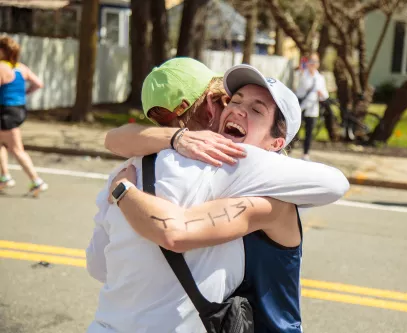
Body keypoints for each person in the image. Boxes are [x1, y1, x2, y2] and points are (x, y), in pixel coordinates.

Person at [86, 59, 349, 333]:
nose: (236, 110)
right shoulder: (238, 165)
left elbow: (98, 267)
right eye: (232, 100)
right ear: (212, 105)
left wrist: (125, 192)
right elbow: (336, 183)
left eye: (255, 109)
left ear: (276, 144)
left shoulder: (128, 167)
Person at [0, 36, 46, 195]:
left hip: (5, 111)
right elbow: (38, 84)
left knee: (17, 149)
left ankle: (36, 181)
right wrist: (25, 92)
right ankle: (4, 176)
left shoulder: (1, 67)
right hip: (19, 110)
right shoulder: (21, 68)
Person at [295, 53, 328, 161]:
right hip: (301, 106)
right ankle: (288, 149)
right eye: (311, 61)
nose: (313, 64)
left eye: (315, 62)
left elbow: (325, 95)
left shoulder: (320, 78)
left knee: (309, 132)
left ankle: (305, 153)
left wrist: (321, 94)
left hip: (313, 108)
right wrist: (303, 68)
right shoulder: (302, 74)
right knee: (295, 129)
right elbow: (299, 84)